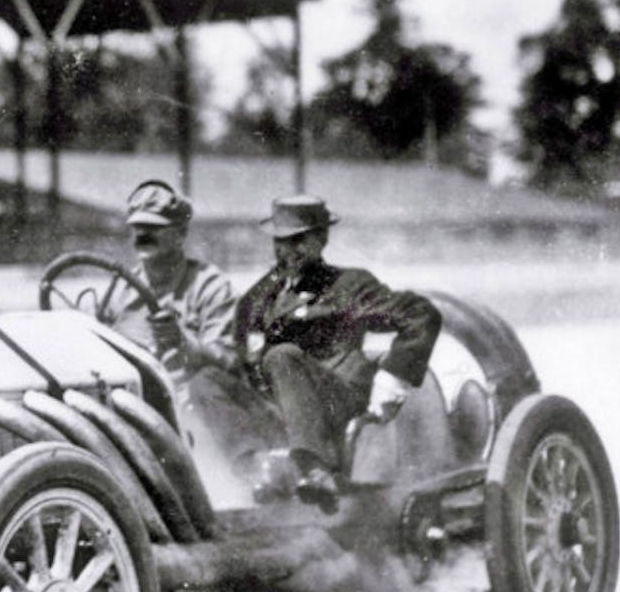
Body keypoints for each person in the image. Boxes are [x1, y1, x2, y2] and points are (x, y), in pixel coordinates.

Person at [234, 195, 442, 513]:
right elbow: (241, 353)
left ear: (322, 238)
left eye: (298, 240)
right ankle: (251, 472)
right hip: (277, 407)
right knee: (206, 380)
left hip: (337, 400)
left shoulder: (348, 286)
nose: (287, 251)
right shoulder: (259, 296)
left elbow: (421, 315)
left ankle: (316, 470)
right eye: (280, 241)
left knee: (281, 356)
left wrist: (395, 375)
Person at [107, 179, 279, 463]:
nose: (143, 235)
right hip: (131, 401)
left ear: (180, 234)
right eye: (138, 228)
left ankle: (251, 470)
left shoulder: (210, 287)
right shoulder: (120, 289)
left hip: (190, 413)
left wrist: (184, 342)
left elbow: (229, 363)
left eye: (154, 228)